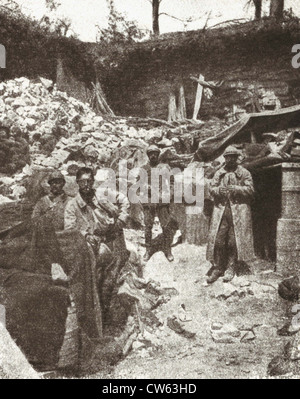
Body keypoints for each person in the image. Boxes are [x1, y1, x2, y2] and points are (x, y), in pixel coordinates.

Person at [206, 146, 255, 284]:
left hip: (238, 212)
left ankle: (230, 267)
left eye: (233, 156)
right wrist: (218, 190)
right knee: (219, 240)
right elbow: (211, 188)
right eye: (227, 157)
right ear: (225, 158)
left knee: (233, 241)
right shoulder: (219, 173)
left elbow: (251, 190)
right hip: (221, 211)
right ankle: (218, 267)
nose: (230, 159)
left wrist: (238, 189)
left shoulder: (244, 173)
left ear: (236, 158)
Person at [142, 145, 174, 263]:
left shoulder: (164, 168)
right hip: (149, 201)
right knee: (148, 226)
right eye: (151, 153)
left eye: (155, 153)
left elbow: (171, 182)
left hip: (162, 200)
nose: (153, 155)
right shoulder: (144, 168)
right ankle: (148, 249)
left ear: (158, 154)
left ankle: (167, 249)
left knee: (166, 226)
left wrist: (169, 195)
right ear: (148, 155)